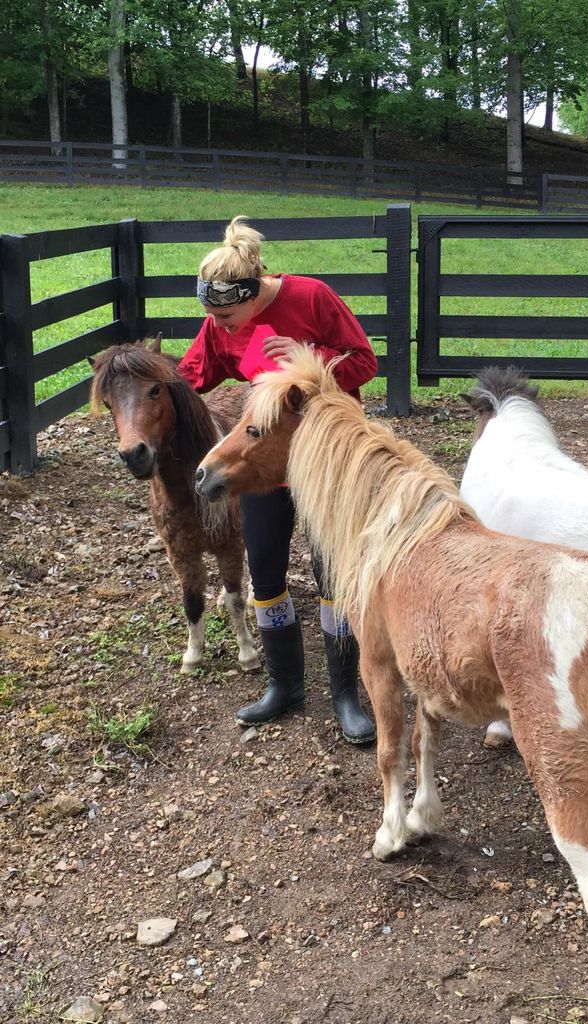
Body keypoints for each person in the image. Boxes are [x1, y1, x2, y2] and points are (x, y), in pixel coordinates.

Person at [177, 215, 378, 744]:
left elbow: (365, 360)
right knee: (265, 571)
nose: (220, 326)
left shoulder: (312, 298)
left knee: (333, 577)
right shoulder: (222, 322)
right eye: (212, 315)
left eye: (227, 314)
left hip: (324, 462)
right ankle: (283, 686)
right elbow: (192, 373)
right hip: (263, 469)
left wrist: (309, 361)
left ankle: (346, 695)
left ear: (253, 291)